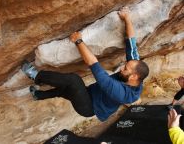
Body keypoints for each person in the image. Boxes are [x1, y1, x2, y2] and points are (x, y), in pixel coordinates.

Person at [21, 7, 149, 121]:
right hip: (92, 93)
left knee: (73, 81)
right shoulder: (136, 71)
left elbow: (94, 65)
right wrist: (127, 18)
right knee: (65, 90)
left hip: (89, 107)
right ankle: (38, 95)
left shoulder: (121, 93)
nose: (122, 68)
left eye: (125, 69)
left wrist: (78, 41)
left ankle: (36, 76)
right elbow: (132, 43)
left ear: (133, 77)